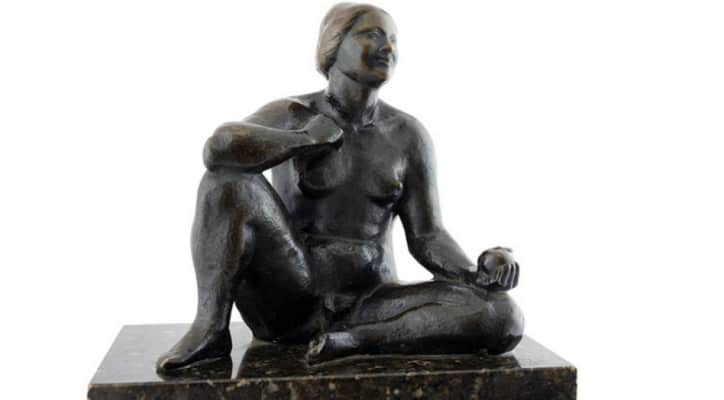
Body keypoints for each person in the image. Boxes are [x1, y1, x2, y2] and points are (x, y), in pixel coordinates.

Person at [157, 2, 523, 370]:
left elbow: (428, 235)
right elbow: (219, 148)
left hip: (372, 302)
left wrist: (476, 275)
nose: (388, 48)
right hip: (290, 298)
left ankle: (358, 342)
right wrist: (304, 139)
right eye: (372, 35)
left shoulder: (408, 135)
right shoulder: (293, 114)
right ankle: (210, 327)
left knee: (502, 314)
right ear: (333, 44)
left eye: (394, 39)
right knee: (226, 184)